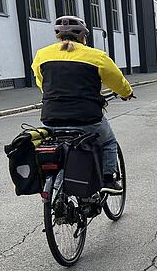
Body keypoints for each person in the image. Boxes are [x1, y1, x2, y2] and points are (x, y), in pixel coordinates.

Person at [31, 15, 133, 194]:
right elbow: (117, 81)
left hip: (51, 117)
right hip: (87, 118)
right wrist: (127, 93)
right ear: (83, 36)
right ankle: (108, 180)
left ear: (58, 36)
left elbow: (41, 83)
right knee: (108, 142)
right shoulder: (97, 56)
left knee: (56, 148)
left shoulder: (42, 55)